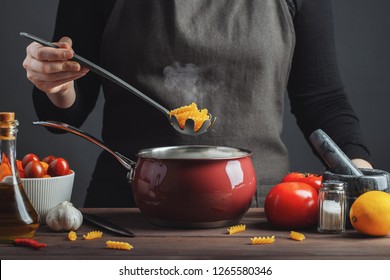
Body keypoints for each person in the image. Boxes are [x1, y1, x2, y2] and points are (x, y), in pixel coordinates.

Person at [23, 0, 372, 208]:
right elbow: (61, 110)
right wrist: (57, 82)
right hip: (128, 204)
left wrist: (362, 178)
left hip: (261, 211)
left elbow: (321, 100)